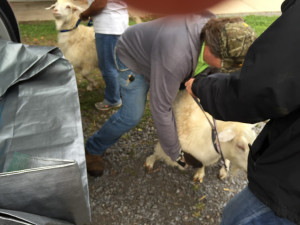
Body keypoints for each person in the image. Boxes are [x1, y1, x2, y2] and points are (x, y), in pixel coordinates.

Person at [84, 13, 256, 177]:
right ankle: (92, 150)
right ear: (211, 49)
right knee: (131, 116)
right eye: (224, 64)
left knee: (172, 88)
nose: (223, 69)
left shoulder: (219, 30)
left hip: (161, 55)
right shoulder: (176, 57)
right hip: (132, 58)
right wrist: (176, 154)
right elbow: (160, 108)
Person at [185, 0, 300, 224]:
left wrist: (201, 87)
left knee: (236, 217)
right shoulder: (178, 55)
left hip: (290, 185)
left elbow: (259, 91)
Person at [80, 0, 128, 110]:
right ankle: (122, 93)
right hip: (120, 26)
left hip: (108, 29)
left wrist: (85, 14)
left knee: (108, 67)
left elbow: (99, 4)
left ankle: (112, 100)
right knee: (119, 64)